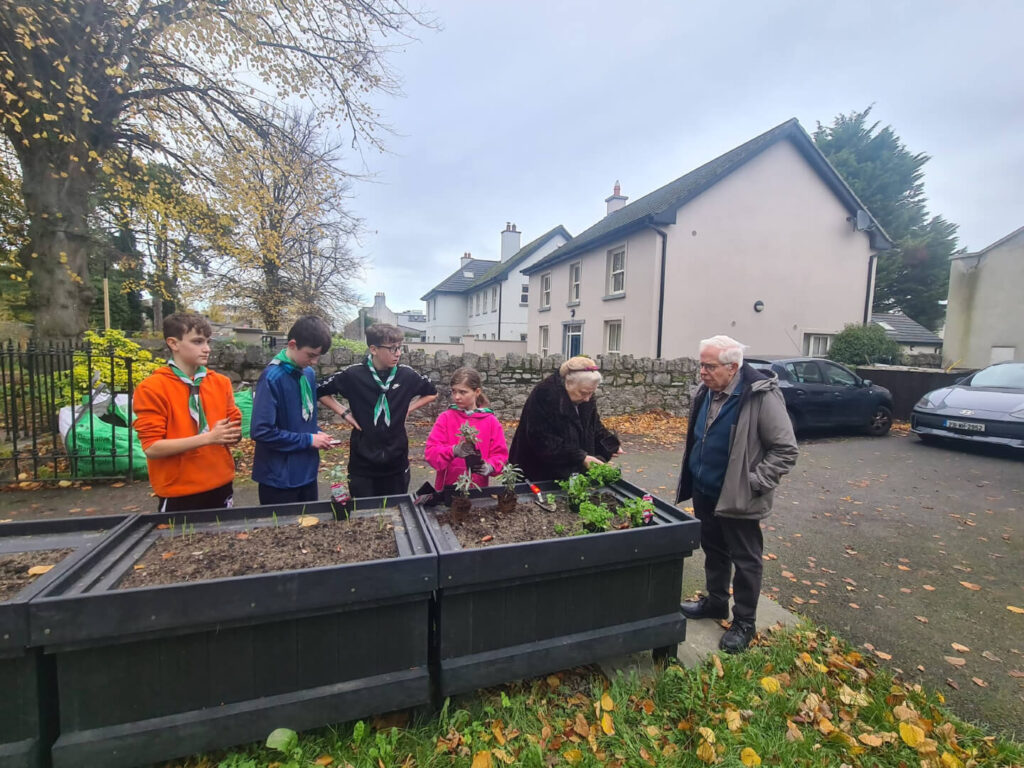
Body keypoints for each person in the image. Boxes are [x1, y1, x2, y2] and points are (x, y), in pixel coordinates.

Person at [676, 335, 798, 653]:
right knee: (714, 550)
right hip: (705, 490)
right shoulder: (708, 390)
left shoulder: (760, 396)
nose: (702, 371)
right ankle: (716, 602)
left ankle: (744, 621)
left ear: (733, 367)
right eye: (700, 364)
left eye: (709, 366)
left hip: (740, 496)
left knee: (746, 561)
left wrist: (754, 483)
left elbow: (785, 449)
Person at [134, 313, 243, 512]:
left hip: (220, 483)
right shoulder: (152, 388)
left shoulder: (221, 383)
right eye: (198, 341)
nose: (207, 349)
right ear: (173, 343)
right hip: (179, 491)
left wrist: (233, 434)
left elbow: (233, 430)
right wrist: (209, 438)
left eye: (208, 342)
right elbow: (152, 447)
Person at [317, 324, 437, 497]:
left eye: (400, 348)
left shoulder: (406, 375)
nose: (398, 353)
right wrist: (344, 413)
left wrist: (407, 409)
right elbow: (320, 391)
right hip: (363, 465)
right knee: (366, 514)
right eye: (392, 348)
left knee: (397, 511)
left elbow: (432, 392)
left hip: (396, 463)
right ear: (373, 349)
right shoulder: (353, 375)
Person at [251, 316, 335, 505]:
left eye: (318, 356)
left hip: (306, 473)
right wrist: (309, 439)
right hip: (279, 479)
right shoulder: (272, 378)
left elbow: (302, 421)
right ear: (292, 344)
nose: (314, 361)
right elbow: (262, 431)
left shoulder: (308, 373)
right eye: (311, 355)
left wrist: (317, 434)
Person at [508, 356, 621, 482]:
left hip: (569, 472)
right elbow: (542, 440)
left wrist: (611, 444)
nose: (587, 399)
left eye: (591, 393)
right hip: (537, 472)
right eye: (584, 393)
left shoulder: (584, 393)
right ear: (568, 383)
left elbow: (594, 425)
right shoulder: (545, 394)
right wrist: (581, 457)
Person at [425, 367, 508, 490]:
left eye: (463, 392)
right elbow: (430, 453)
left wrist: (490, 466)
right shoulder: (445, 418)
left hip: (477, 489)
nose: (457, 397)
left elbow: (500, 455)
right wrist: (453, 451)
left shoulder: (491, 422)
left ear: (477, 391)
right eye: (454, 391)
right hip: (448, 488)